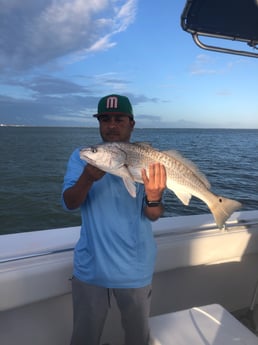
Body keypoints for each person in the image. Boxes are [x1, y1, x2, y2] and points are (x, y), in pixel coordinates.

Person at [62, 94, 167, 345]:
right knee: (83, 338)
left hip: (135, 269)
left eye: (119, 119)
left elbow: (153, 215)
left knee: (137, 339)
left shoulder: (148, 160)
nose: (111, 125)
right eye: (105, 119)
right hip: (91, 269)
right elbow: (70, 202)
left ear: (131, 123)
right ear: (99, 123)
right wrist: (87, 178)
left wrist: (153, 197)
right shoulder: (83, 156)